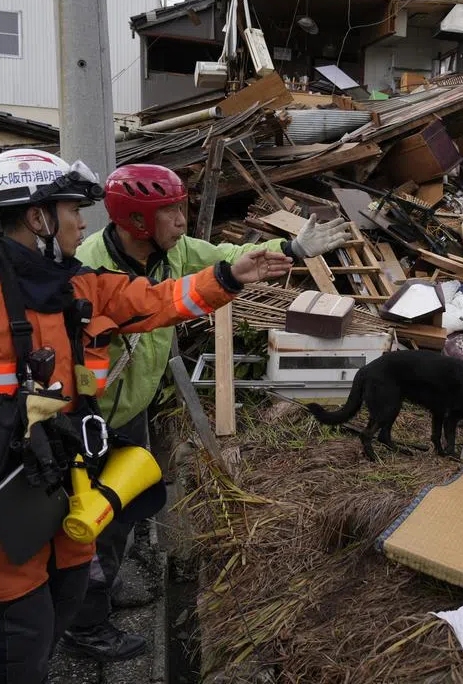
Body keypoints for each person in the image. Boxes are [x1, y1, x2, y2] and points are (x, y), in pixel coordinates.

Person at [0, 149, 292, 684]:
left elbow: (158, 300)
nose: (82, 222)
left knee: (58, 613)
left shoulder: (73, 287)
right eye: (73, 210)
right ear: (38, 217)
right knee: (13, 646)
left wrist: (231, 276)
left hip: (63, 496)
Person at [68, 163, 351, 660]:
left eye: (182, 207)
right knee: (93, 522)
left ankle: (99, 593)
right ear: (136, 222)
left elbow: (226, 257)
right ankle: (85, 624)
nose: (182, 221)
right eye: (170, 212)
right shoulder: (92, 269)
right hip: (91, 420)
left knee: (123, 512)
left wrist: (290, 249)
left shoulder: (172, 252)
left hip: (134, 406)